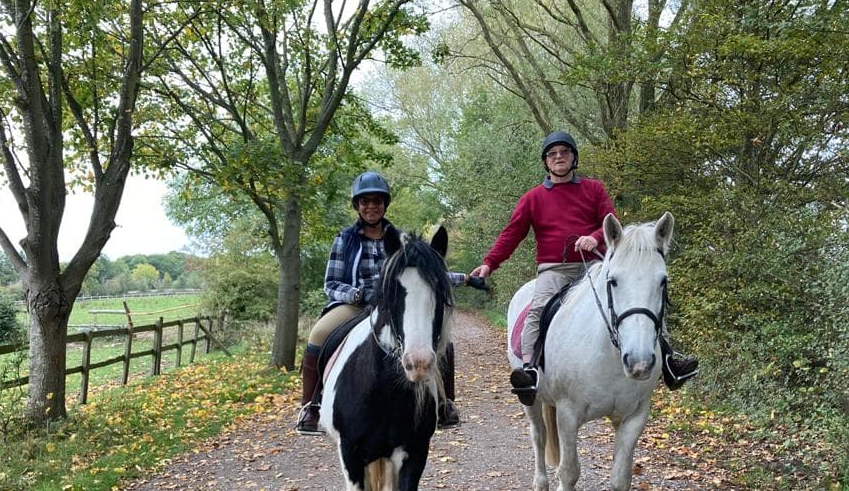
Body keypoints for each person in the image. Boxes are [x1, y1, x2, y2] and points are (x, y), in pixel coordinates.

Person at [470, 131, 698, 406]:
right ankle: (530, 369)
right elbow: (512, 234)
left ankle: (669, 361)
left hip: (593, 264)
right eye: (552, 154)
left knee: (639, 299)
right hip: (554, 270)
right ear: (546, 161)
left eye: (564, 152)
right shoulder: (532, 198)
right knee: (538, 308)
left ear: (573, 157)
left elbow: (612, 224)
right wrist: (489, 263)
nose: (559, 157)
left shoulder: (594, 189)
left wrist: (594, 237)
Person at [296, 171, 484, 435]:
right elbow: (331, 284)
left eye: (377, 201)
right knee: (319, 334)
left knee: (444, 342)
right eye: (365, 201)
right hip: (356, 305)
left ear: (385, 204)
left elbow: (424, 277)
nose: (371, 206)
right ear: (357, 205)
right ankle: (311, 405)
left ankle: (445, 403)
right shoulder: (344, 239)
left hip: (392, 305)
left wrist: (465, 278)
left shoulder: (401, 241)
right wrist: (356, 295)